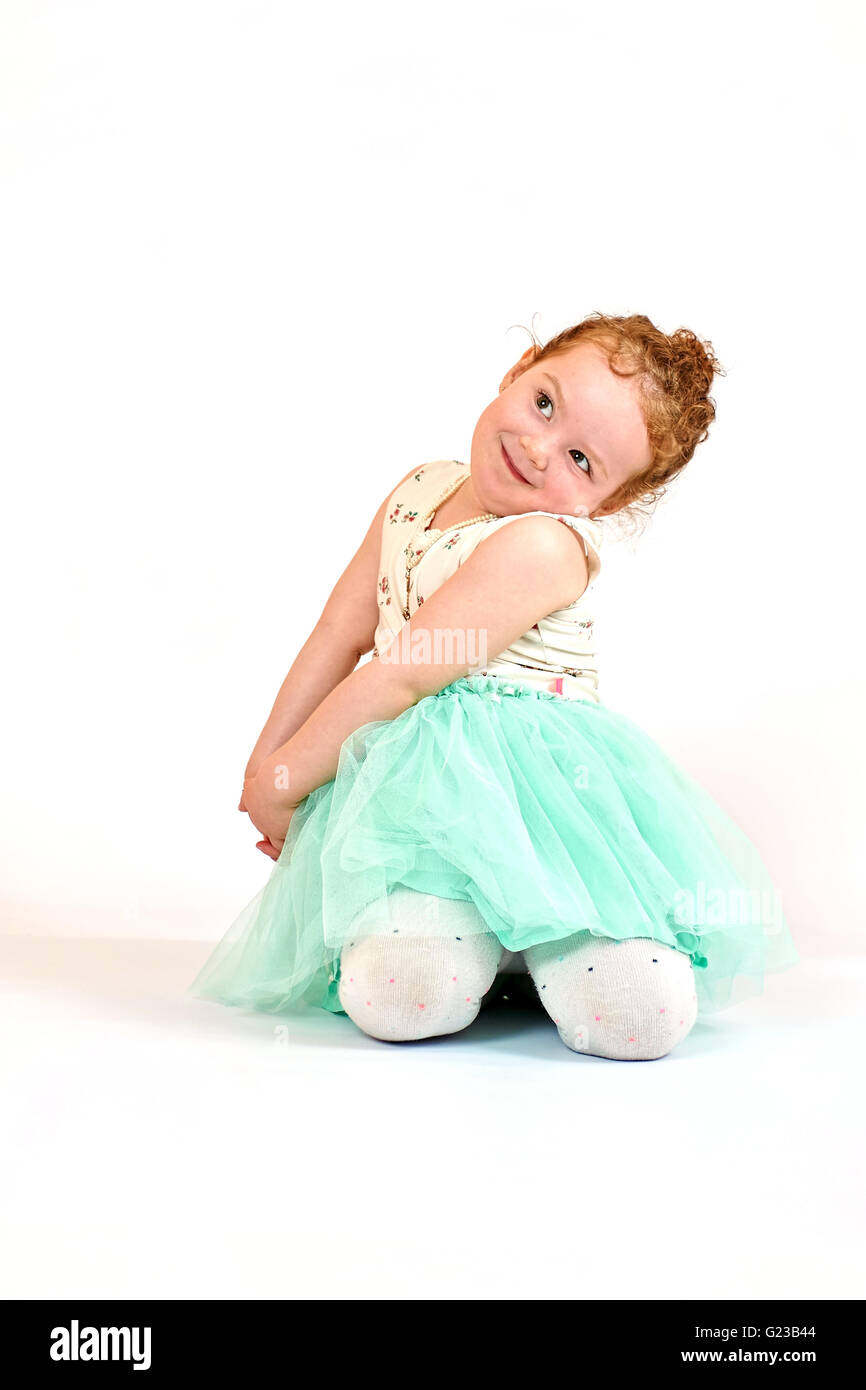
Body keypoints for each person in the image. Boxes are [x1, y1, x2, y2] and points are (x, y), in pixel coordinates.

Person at [188, 311, 798, 1060]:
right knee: (399, 997)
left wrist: (287, 783)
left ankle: (548, 935)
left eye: (581, 459)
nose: (539, 450)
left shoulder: (544, 542)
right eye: (544, 402)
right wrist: (266, 764)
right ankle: (468, 936)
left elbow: (403, 674)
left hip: (543, 809)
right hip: (420, 802)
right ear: (518, 368)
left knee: (636, 1015)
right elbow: (338, 634)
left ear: (603, 504)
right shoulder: (416, 491)